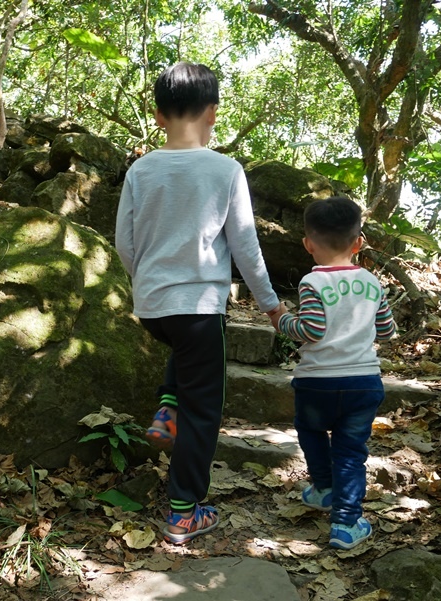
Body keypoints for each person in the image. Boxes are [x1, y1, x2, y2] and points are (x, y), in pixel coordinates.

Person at [115, 62, 286, 545]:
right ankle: (185, 510)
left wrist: (145, 281)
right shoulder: (226, 171)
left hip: (154, 308)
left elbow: (124, 242)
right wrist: (271, 306)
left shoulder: (141, 169)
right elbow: (246, 248)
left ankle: (168, 406)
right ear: (213, 113)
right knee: (204, 411)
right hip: (199, 307)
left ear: (157, 115)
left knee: (182, 355)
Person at [269, 196, 396, 550]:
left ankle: (324, 488)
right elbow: (386, 331)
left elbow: (310, 330)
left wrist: (282, 319)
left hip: (317, 383)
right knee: (351, 452)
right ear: (358, 243)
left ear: (308, 244)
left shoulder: (313, 283)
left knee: (311, 432)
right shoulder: (372, 283)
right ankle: (346, 522)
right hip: (362, 383)